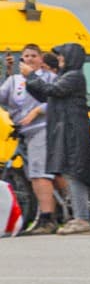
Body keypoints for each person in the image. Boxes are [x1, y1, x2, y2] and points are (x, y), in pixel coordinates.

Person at [23, 44, 90, 233]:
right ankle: (78, 216)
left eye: (63, 56)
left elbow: (53, 90)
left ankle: (82, 219)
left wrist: (31, 76)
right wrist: (30, 80)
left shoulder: (74, 77)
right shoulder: (66, 76)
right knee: (69, 171)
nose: (60, 59)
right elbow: (45, 94)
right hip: (66, 131)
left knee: (75, 173)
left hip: (74, 131)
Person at [1, 45, 58, 230]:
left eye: (34, 55)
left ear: (41, 59)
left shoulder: (49, 77)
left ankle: (47, 218)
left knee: (38, 173)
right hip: (22, 131)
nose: (30, 59)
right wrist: (5, 71)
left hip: (42, 129)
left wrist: (37, 111)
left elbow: (58, 100)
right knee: (35, 174)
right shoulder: (14, 80)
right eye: (26, 56)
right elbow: (2, 97)